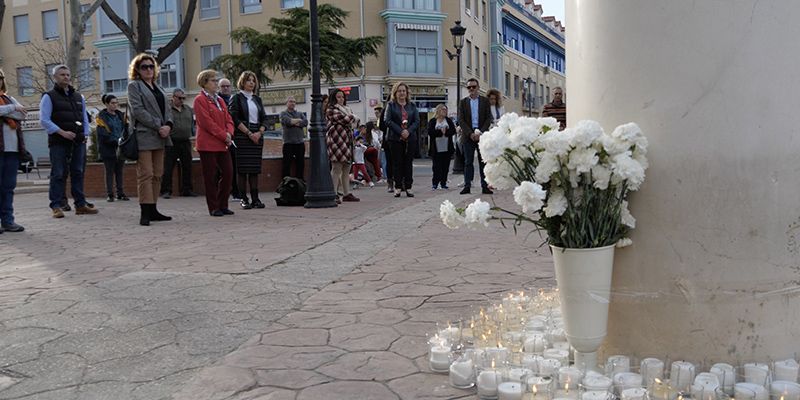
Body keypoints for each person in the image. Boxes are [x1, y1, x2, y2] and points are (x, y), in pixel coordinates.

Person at [40, 64, 98, 218]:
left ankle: (80, 204)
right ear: (54, 77)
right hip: (58, 142)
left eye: (67, 74)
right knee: (58, 173)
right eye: (62, 74)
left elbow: (84, 118)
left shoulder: (79, 97)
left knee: (78, 172)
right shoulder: (48, 96)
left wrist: (85, 135)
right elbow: (44, 120)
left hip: (78, 141)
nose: (65, 77)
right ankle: (56, 205)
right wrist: (62, 132)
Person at [127, 53, 174, 226]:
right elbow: (138, 110)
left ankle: (153, 208)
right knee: (145, 174)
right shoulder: (134, 86)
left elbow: (168, 109)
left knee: (158, 173)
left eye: (151, 66)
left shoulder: (159, 87)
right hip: (145, 135)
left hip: (161, 136)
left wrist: (168, 125)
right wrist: (158, 125)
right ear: (137, 70)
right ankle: (145, 212)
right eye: (144, 67)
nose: (148, 69)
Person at [194, 69, 235, 217]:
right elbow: (206, 123)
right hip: (208, 144)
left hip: (223, 143)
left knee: (228, 173)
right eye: (213, 80)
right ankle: (213, 207)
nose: (216, 83)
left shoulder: (220, 100)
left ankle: (223, 204)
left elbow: (228, 119)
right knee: (210, 177)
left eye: (216, 80)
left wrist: (229, 133)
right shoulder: (200, 100)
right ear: (204, 83)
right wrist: (224, 135)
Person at [228, 71, 267, 209]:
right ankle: (243, 198)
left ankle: (256, 199)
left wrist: (259, 132)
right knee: (243, 170)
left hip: (257, 135)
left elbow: (264, 118)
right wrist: (249, 133)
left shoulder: (257, 99)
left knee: (254, 169)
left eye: (253, 80)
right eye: (248, 80)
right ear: (242, 82)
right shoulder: (236, 98)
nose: (251, 83)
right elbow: (234, 118)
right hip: (242, 135)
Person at [0, 69, 27, 232]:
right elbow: (17, 110)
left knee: (8, 187)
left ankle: (8, 220)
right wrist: (13, 108)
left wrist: (8, 110)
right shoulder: (12, 103)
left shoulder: (9, 98)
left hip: (12, 149)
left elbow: (22, 115)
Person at [457, 77, 494, 195]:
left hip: (481, 134)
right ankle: (467, 185)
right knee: (468, 162)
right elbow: (461, 120)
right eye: (469, 87)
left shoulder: (485, 101)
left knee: (483, 162)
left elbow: (488, 118)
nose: (471, 89)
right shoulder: (463, 102)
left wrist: (480, 132)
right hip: (468, 135)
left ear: (478, 87)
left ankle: (485, 186)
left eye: (473, 87)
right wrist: (470, 133)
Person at [384, 82, 419, 198]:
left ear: (407, 92)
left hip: (410, 138)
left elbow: (416, 121)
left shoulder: (412, 106)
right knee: (397, 163)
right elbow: (387, 120)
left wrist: (408, 131)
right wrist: (401, 131)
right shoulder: (391, 105)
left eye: (404, 91)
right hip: (395, 138)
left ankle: (408, 187)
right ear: (395, 93)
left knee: (408, 163)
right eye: (399, 91)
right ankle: (398, 187)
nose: (402, 93)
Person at [160, 88, 196, 199]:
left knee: (187, 166)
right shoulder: (168, 110)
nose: (182, 100)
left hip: (185, 141)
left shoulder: (188, 109)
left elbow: (192, 122)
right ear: (173, 97)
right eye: (180, 98)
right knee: (168, 167)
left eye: (183, 98)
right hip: (172, 141)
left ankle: (187, 189)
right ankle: (166, 190)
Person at [326, 88, 359, 204]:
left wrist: (352, 118)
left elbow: (354, 123)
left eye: (342, 97)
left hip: (347, 142)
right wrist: (353, 117)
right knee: (336, 168)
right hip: (336, 142)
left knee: (346, 168)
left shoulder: (347, 109)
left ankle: (346, 193)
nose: (341, 99)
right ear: (333, 98)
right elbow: (344, 119)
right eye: (338, 97)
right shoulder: (331, 110)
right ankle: (333, 193)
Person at [95, 94, 129, 202]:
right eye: (112, 103)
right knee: (109, 171)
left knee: (119, 171)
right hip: (108, 148)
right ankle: (110, 194)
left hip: (120, 147)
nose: (115, 105)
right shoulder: (101, 117)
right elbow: (102, 133)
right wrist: (114, 141)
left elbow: (126, 129)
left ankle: (120, 193)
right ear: (106, 104)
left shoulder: (121, 115)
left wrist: (124, 140)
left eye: (116, 102)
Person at [218, 77, 240, 199]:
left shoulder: (234, 99)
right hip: (221, 138)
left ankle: (235, 191)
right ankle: (222, 193)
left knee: (234, 166)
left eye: (228, 86)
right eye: (223, 86)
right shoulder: (217, 100)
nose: (226, 88)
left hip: (233, 137)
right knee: (221, 168)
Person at [427, 104, 456, 190]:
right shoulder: (433, 121)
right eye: (443, 109)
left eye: (446, 109)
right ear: (438, 110)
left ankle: (443, 182)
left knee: (445, 166)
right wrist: (440, 132)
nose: (445, 111)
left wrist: (446, 132)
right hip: (436, 147)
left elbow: (453, 131)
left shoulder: (448, 120)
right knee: (436, 166)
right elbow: (430, 132)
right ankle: (435, 183)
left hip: (447, 146)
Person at [280, 96, 307, 180]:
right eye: (291, 101)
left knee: (300, 164)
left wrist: (294, 122)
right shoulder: (283, 113)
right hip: (288, 143)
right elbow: (288, 122)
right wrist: (299, 120)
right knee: (286, 165)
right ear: (286, 103)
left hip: (300, 143)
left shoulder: (300, 113)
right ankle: (286, 183)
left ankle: (300, 182)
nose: (293, 103)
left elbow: (305, 122)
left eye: (294, 102)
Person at [374, 105, 392, 192]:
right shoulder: (381, 117)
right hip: (385, 141)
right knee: (385, 161)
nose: (376, 114)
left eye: (377, 113)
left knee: (386, 161)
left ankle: (389, 179)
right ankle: (388, 178)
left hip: (385, 140)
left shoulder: (385, 114)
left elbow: (381, 128)